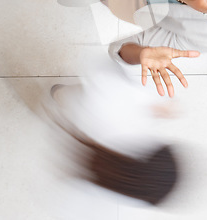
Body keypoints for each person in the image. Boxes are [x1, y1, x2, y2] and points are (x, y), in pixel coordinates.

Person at [45, 59, 183, 216]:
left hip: (79, 104)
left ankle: (57, 94)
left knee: (66, 95)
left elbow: (101, 69)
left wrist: (150, 104)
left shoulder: (117, 113)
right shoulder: (99, 195)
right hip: (68, 132)